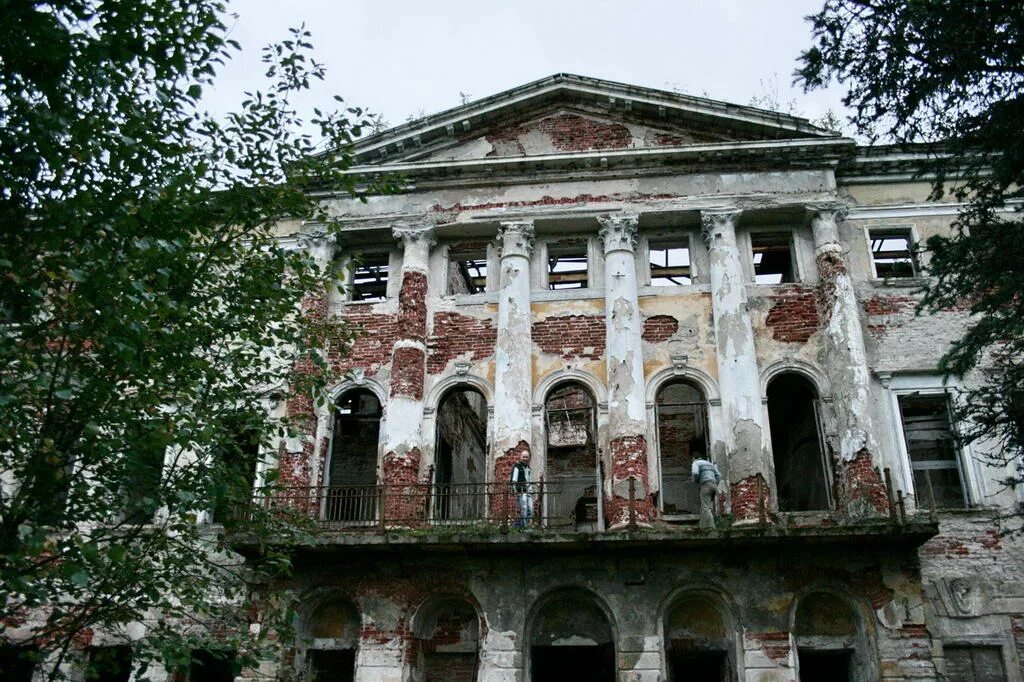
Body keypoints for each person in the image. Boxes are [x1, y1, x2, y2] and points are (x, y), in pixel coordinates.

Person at [691, 453, 721, 530]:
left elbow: (695, 473)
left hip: (705, 484)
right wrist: (715, 483)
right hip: (714, 485)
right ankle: (702, 526)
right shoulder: (709, 464)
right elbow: (718, 475)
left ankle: (711, 526)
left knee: (705, 507)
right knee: (708, 507)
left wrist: (696, 480)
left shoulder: (696, 463)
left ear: (694, 458)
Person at [509, 450, 532, 529]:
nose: (525, 458)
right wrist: (515, 491)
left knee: (530, 510)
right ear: (520, 457)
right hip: (521, 491)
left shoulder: (528, 468)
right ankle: (524, 528)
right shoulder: (517, 466)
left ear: (529, 458)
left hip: (528, 492)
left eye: (527, 457)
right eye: (524, 457)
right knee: (524, 509)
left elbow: (529, 480)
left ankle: (518, 526)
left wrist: (531, 489)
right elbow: (514, 480)